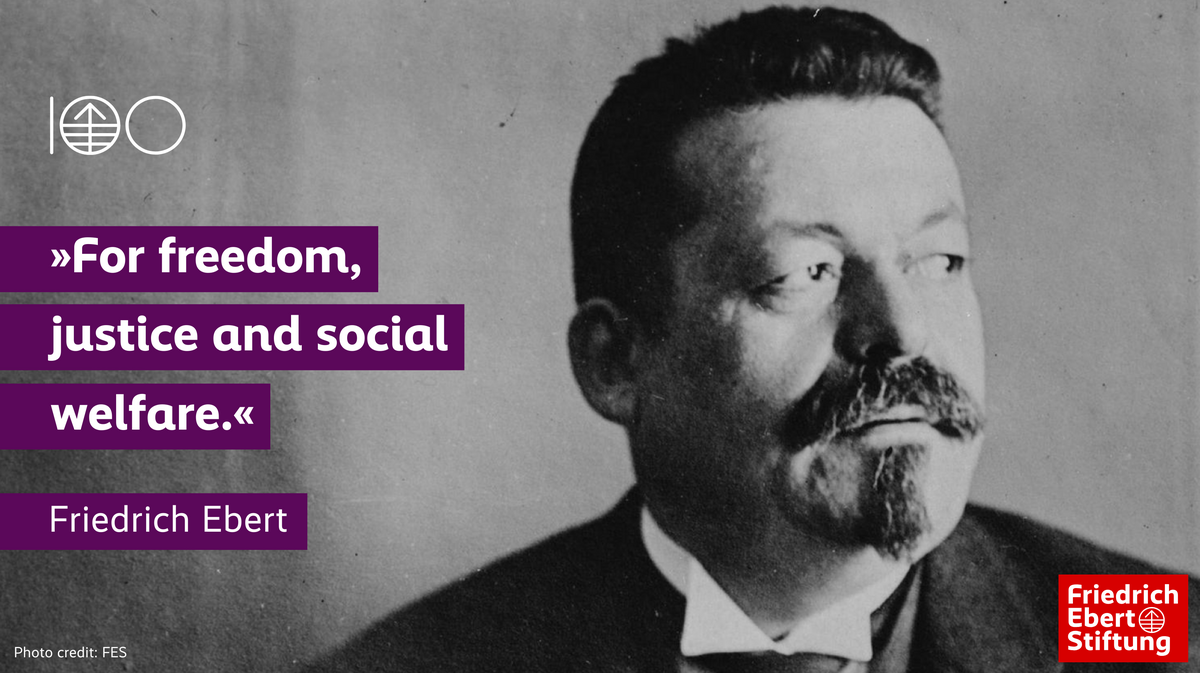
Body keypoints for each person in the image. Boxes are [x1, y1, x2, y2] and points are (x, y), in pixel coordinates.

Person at [308, 6, 1199, 672]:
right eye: (804, 273)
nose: (903, 330)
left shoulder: (1164, 635)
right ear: (616, 363)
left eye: (940, 260)